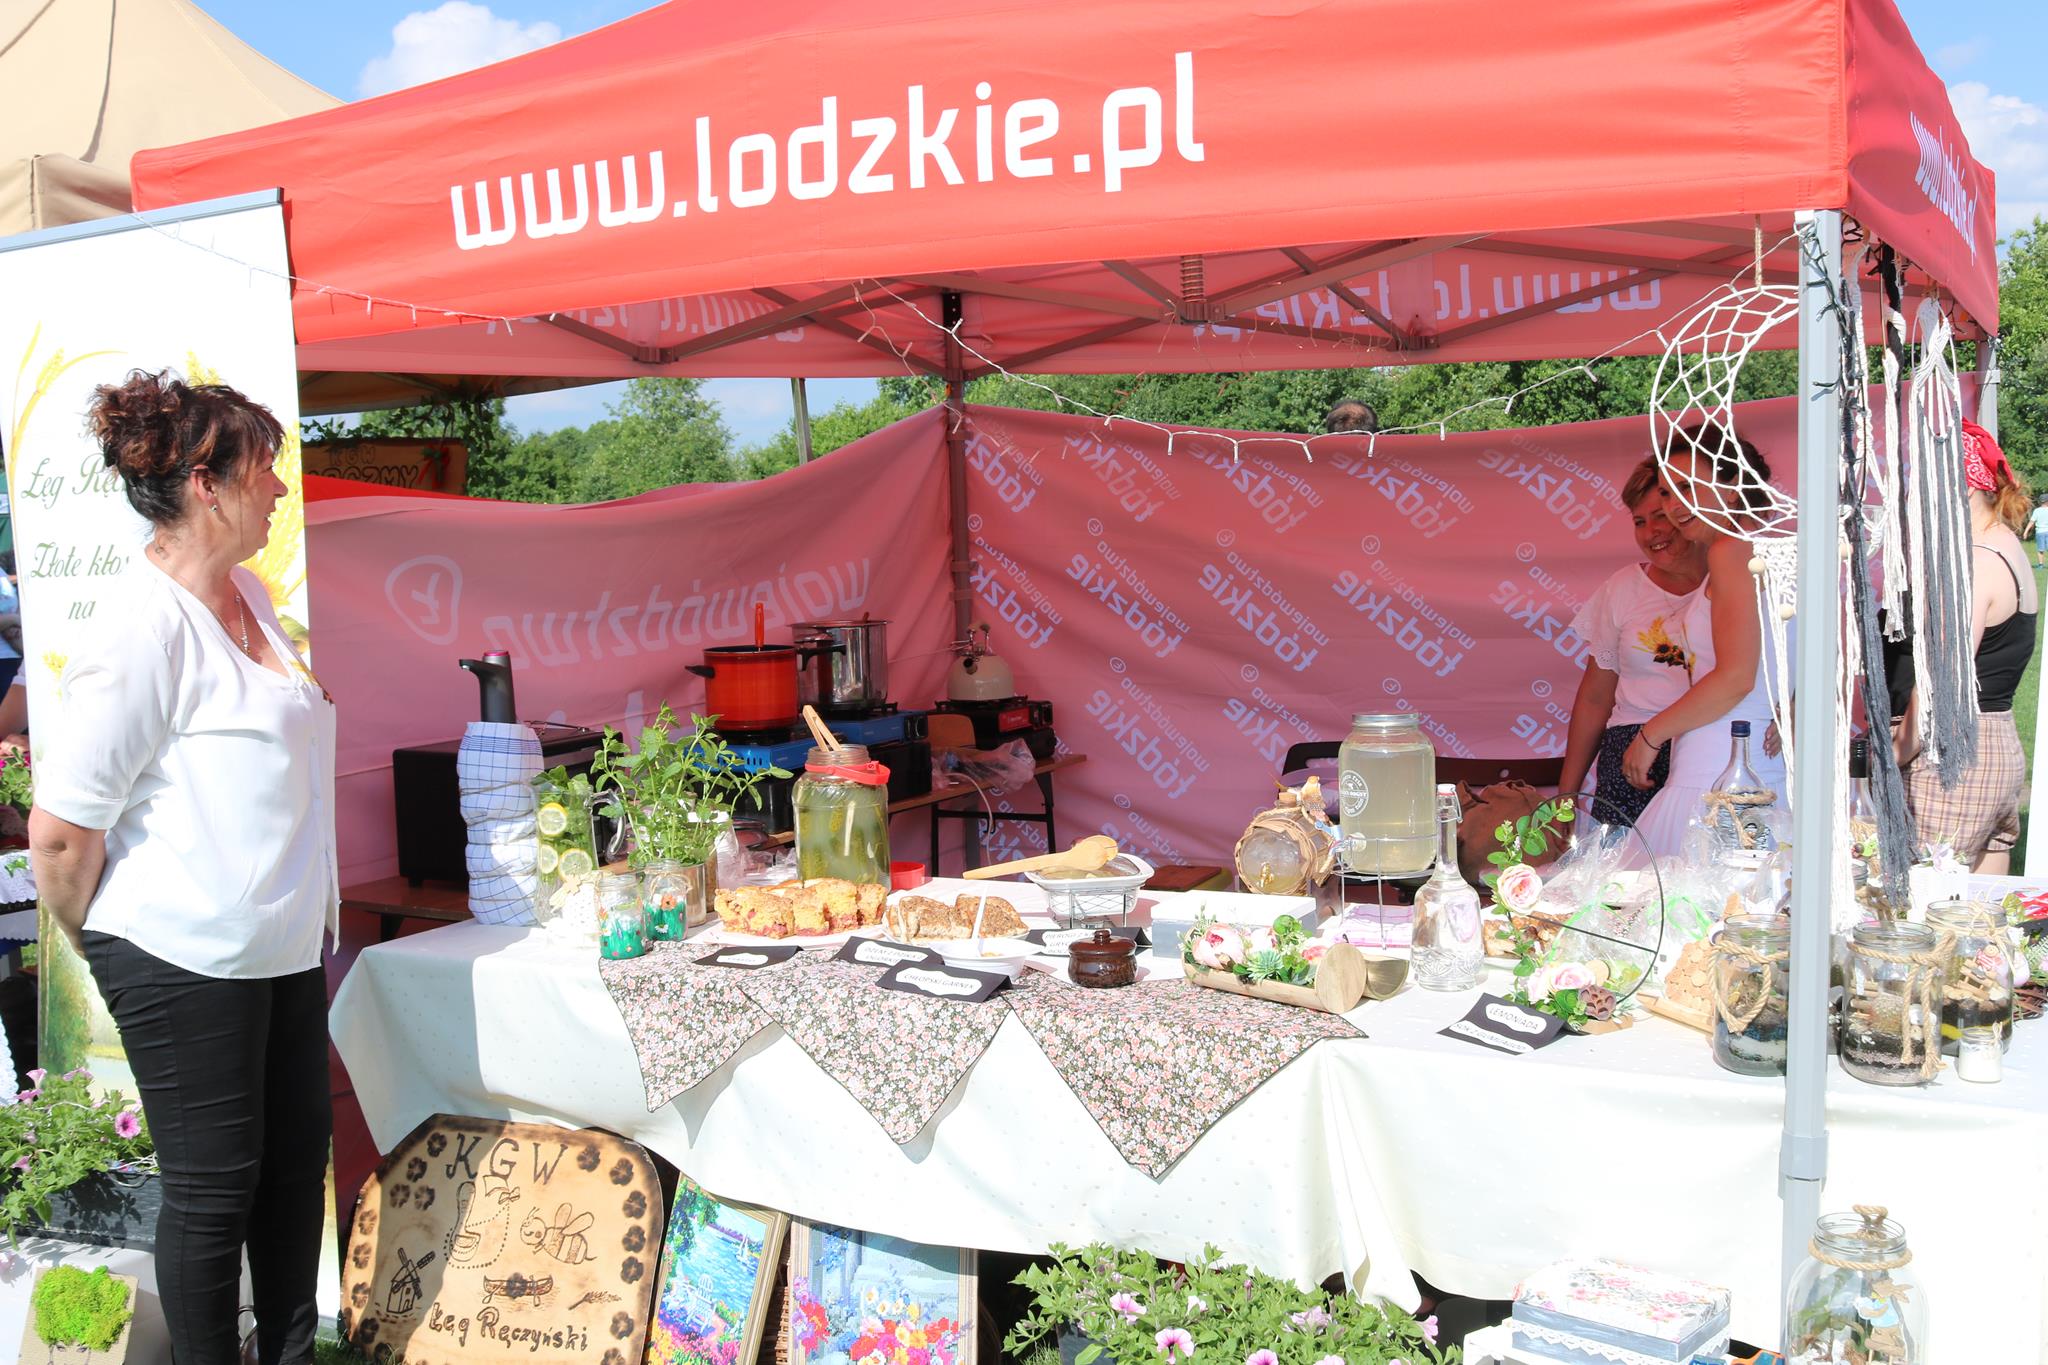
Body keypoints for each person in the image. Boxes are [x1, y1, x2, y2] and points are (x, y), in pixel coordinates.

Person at [27, 370, 336, 1365]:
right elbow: (61, 835)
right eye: (264, 470)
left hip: (281, 942)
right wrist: (102, 945)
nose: (279, 489)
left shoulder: (251, 597)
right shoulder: (141, 630)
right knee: (214, 1190)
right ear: (208, 483)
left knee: (293, 1171)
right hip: (181, 953)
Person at [1626, 427, 1788, 858]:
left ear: (1732, 487)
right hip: (1762, 763)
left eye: (1687, 487)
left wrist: (1650, 735)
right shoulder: (1778, 549)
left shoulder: (1731, 551)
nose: (1674, 506)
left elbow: (1736, 677)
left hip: (1718, 767)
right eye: (1666, 493)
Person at [1897, 420, 2037, 873]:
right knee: (1984, 909)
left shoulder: (1975, 562)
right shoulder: (2005, 545)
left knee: (1921, 905)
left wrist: (1895, 752)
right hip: (1998, 750)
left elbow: (1941, 686)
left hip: (1953, 758)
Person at [1557, 456, 1709, 823]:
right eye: (1639, 522)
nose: (1651, 531)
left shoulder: (1735, 582)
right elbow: (1595, 698)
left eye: (1660, 515)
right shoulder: (1623, 588)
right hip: (1630, 760)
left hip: (1709, 748)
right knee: (1625, 861)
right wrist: (1566, 797)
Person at [2028, 493, 2048, 569]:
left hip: (2040, 532)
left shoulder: (2037, 511)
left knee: (2040, 550)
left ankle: (2040, 565)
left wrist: (2026, 531)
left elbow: (2031, 522)